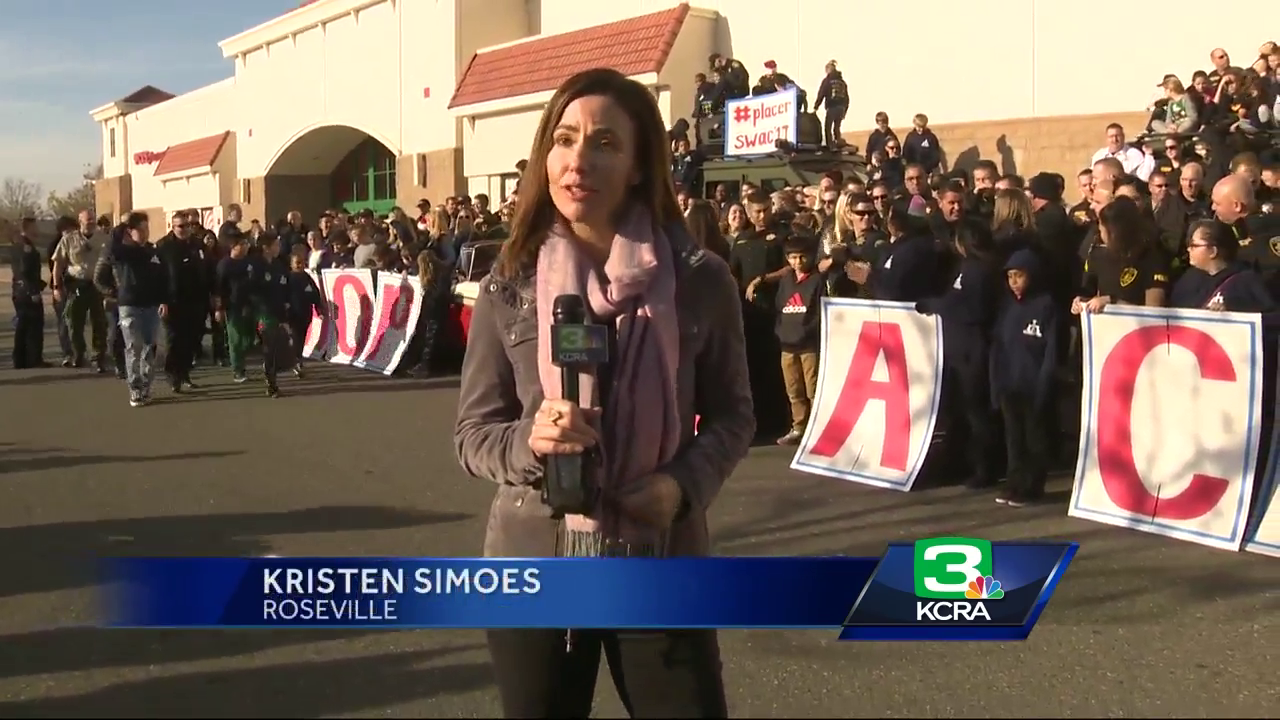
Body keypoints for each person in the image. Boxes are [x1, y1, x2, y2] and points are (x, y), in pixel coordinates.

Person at [454, 67, 753, 719]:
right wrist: (531, 444)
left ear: (642, 166)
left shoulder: (702, 282)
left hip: (659, 558)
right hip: (533, 566)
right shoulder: (509, 284)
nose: (578, 158)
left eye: (605, 143)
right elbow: (474, 435)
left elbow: (734, 417)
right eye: (564, 139)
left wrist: (680, 487)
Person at [989, 248, 1060, 507]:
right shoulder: (1007, 307)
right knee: (1014, 439)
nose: (1014, 283)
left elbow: (1051, 352)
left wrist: (1044, 386)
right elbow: (998, 347)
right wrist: (996, 384)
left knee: (1034, 438)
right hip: (1010, 384)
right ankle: (1014, 482)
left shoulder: (1046, 306)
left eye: (1019, 276)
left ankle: (1032, 486)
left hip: (1034, 386)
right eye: (1010, 277)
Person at [110, 212, 169, 407]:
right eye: (140, 229)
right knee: (133, 347)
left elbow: (162, 278)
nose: (144, 233)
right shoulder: (125, 251)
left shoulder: (152, 252)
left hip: (151, 306)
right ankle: (134, 389)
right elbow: (112, 249)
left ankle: (145, 386)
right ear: (130, 231)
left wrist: (163, 300)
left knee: (149, 348)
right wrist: (122, 227)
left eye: (147, 229)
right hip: (130, 306)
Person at [773, 233, 825, 446]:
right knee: (793, 389)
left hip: (808, 344)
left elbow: (819, 311)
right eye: (793, 257)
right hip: (787, 343)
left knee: (812, 388)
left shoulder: (816, 280)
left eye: (802, 257)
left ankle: (817, 427)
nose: (797, 262)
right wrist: (781, 331)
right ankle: (799, 427)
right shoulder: (786, 280)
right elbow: (779, 306)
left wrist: (808, 331)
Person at [157, 211, 209, 392]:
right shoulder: (164, 247)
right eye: (181, 226)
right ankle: (173, 376)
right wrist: (162, 300)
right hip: (173, 301)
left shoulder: (197, 244)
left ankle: (185, 373)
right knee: (174, 341)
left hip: (196, 301)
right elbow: (158, 276)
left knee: (191, 340)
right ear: (172, 227)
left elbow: (207, 268)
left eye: (187, 225)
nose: (185, 229)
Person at [51, 210, 108, 372]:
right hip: (76, 284)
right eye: (87, 220)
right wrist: (56, 287)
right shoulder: (69, 239)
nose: (90, 223)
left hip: (98, 285)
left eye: (93, 220)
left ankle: (98, 357)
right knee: (74, 322)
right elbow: (58, 265)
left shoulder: (104, 239)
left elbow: (112, 263)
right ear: (80, 221)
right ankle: (78, 353)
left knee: (100, 322)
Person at [9, 217, 48, 369]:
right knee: (34, 326)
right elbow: (25, 270)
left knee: (23, 326)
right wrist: (33, 290)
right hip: (27, 292)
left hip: (19, 291)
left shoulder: (17, 245)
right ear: (28, 228)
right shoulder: (26, 247)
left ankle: (20, 360)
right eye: (35, 226)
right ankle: (34, 358)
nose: (37, 229)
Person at [286, 249, 325, 377]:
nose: (300, 265)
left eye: (302, 263)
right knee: (296, 336)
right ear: (291, 264)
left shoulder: (307, 277)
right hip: (292, 314)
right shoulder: (288, 278)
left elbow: (315, 294)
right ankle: (296, 360)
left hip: (305, 313)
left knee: (301, 337)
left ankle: (297, 358)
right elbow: (281, 294)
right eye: (297, 263)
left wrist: (318, 308)